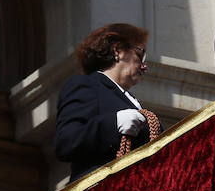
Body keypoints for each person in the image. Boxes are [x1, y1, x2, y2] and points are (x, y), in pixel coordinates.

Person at [54, 23, 160, 181]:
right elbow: (67, 141)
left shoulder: (131, 100)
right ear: (117, 50)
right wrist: (113, 124)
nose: (144, 67)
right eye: (140, 55)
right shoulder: (87, 85)